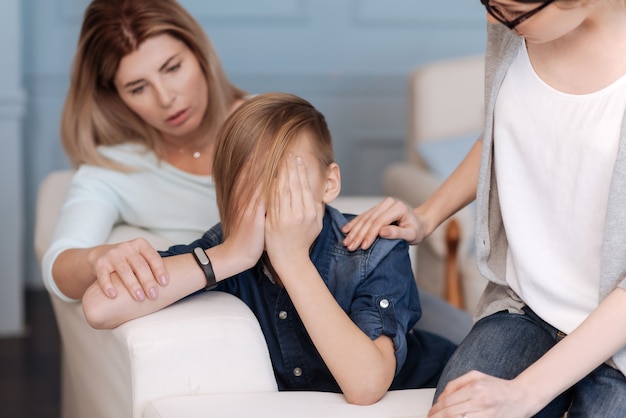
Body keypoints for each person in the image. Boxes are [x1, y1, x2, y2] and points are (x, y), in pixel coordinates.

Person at [342, 0, 626, 416]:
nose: (494, 20)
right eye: (489, 4)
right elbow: (501, 132)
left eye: (510, 10)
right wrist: (427, 215)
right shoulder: (513, 30)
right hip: (525, 307)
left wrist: (526, 392)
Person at [81, 92, 456, 405]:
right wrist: (229, 257)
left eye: (285, 179)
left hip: (432, 391)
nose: (269, 199)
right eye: (247, 183)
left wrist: (291, 260)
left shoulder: (374, 249)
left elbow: (367, 384)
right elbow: (100, 306)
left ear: (329, 184)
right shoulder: (228, 248)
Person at [42, 0, 246, 303]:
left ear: (199, 54)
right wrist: (100, 257)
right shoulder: (115, 167)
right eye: (138, 88)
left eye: (173, 68)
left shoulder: (273, 123)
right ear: (115, 96)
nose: (166, 98)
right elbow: (58, 266)